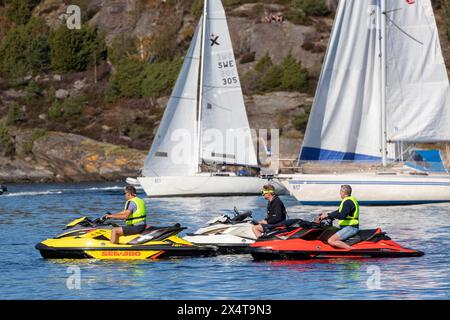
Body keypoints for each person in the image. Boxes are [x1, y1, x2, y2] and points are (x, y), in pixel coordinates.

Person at [317, 185, 359, 249]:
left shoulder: (348, 202)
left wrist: (328, 215)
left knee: (331, 240)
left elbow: (342, 215)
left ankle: (353, 250)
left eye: (340, 191)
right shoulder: (349, 200)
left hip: (350, 228)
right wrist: (328, 215)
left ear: (343, 192)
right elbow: (338, 212)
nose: (339, 193)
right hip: (347, 227)